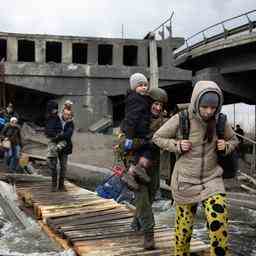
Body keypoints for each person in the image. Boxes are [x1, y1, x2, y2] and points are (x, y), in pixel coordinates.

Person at [153, 81, 238, 256]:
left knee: (219, 223)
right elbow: (157, 137)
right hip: (185, 180)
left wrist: (226, 146)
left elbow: (234, 141)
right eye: (205, 106)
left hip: (211, 179)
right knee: (184, 230)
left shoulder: (221, 121)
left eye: (213, 107)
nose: (209, 111)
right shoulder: (182, 118)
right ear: (197, 102)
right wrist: (177, 145)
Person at [130, 87, 168, 250]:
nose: (158, 108)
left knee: (151, 196)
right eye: (155, 104)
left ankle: (135, 223)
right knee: (143, 198)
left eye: (161, 105)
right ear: (149, 103)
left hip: (154, 165)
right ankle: (149, 235)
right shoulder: (137, 118)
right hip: (136, 163)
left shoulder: (164, 122)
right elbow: (125, 140)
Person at [120, 73, 152, 190]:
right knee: (145, 150)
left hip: (141, 131)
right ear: (134, 87)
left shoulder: (142, 98)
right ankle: (131, 173)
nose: (144, 87)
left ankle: (135, 171)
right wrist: (129, 136)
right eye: (140, 85)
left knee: (143, 152)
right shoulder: (135, 99)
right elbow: (131, 119)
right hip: (136, 133)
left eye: (145, 85)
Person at [45, 101, 74, 192]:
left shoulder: (70, 123)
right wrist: (54, 135)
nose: (66, 116)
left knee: (63, 167)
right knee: (53, 166)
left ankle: (61, 186)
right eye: (65, 114)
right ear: (62, 113)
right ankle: (54, 185)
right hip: (54, 145)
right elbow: (49, 130)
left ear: (70, 115)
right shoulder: (56, 118)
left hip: (64, 148)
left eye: (68, 115)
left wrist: (57, 136)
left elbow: (68, 135)